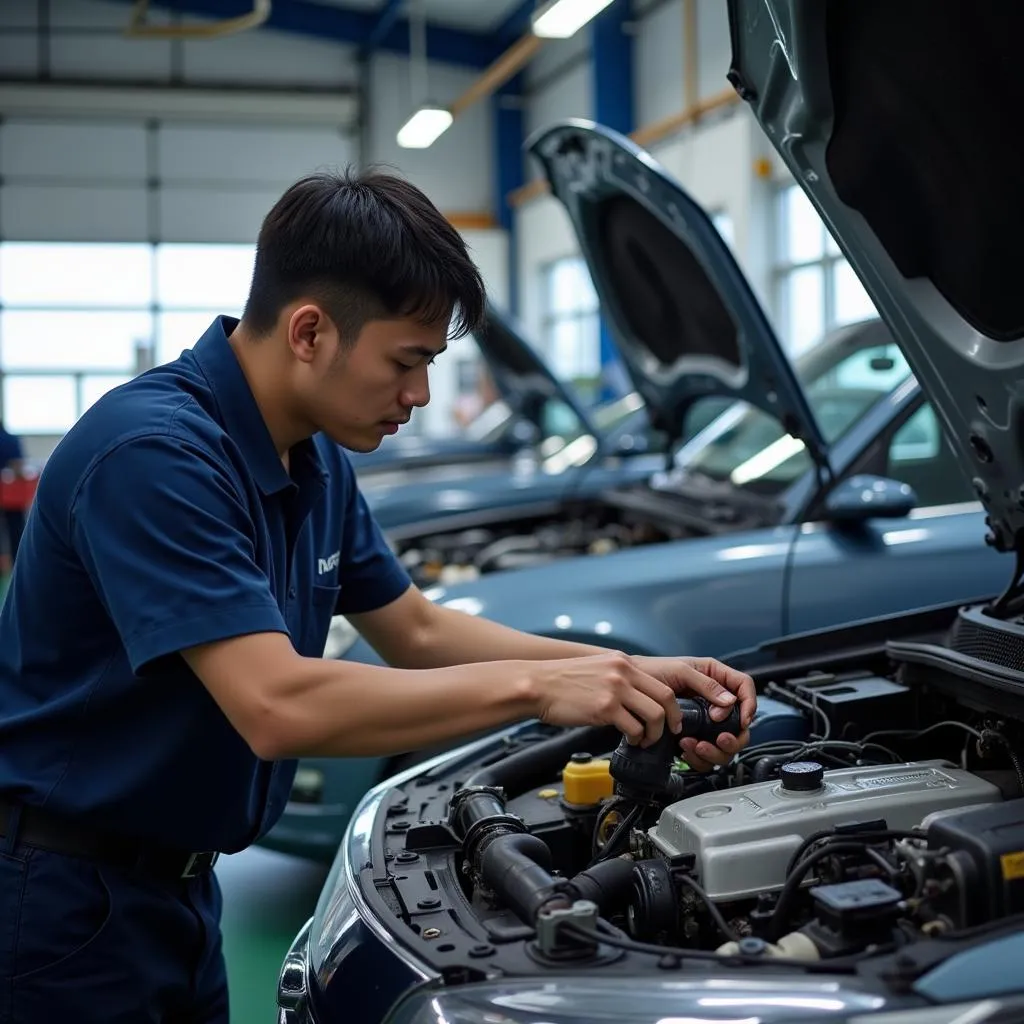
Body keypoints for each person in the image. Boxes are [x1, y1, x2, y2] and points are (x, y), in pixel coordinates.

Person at [0, 169, 756, 1023]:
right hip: (63, 902)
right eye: (408, 361)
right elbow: (276, 703)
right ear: (310, 331)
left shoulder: (312, 457)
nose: (421, 395)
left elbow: (419, 632)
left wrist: (625, 671)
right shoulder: (153, 457)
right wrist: (541, 689)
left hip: (178, 890)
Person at [0, 420, 26, 569]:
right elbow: (18, 466)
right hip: (12, 493)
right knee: (15, 528)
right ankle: (18, 561)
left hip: (8, 492)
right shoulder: (12, 440)